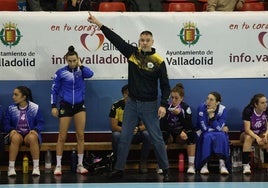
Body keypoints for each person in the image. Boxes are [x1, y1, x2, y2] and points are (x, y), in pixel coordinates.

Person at [87, 13, 171, 181]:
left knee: (157, 138)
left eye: (147, 40)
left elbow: (165, 86)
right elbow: (115, 39)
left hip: (150, 105)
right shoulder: (132, 54)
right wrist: (99, 24)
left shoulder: (159, 61)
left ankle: (166, 170)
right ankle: (119, 169)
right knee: (124, 137)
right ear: (139, 41)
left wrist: (163, 104)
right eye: (142, 40)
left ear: (152, 42)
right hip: (132, 104)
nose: (144, 42)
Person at [51, 45, 94, 175]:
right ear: (66, 60)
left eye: (74, 60)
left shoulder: (82, 71)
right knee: (62, 136)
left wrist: (80, 66)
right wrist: (53, 106)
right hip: (65, 105)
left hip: (80, 106)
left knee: (80, 136)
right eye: (69, 61)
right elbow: (54, 90)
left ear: (78, 59)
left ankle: (80, 165)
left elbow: (90, 74)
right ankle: (58, 165)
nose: (72, 63)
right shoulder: (60, 73)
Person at [109, 84, 151, 173]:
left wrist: (138, 129)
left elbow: (147, 125)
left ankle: (143, 161)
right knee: (115, 135)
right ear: (124, 94)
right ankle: (118, 163)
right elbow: (114, 127)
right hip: (123, 133)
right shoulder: (116, 106)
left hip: (136, 134)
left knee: (147, 134)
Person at [3, 86, 44, 177]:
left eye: (16, 95)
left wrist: (35, 130)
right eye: (13, 94)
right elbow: (6, 123)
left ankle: (36, 167)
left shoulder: (35, 108)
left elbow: (40, 122)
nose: (13, 97)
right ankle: (11, 168)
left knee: (33, 137)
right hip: (17, 134)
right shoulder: (11, 108)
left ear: (24, 97)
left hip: (29, 135)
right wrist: (11, 130)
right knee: (15, 137)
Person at [160, 83, 196, 174]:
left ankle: (191, 166)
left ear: (182, 98)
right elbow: (163, 125)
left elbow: (189, 125)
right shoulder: (166, 107)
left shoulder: (185, 107)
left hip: (181, 136)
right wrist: (178, 131)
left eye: (176, 98)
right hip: (170, 134)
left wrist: (179, 115)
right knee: (163, 134)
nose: (174, 100)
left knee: (191, 134)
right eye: (172, 97)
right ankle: (161, 165)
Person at [195, 91, 230, 175]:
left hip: (216, 132)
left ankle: (222, 164)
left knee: (222, 135)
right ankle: (204, 164)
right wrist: (217, 128)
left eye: (211, 100)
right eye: (207, 99)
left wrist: (212, 117)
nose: (208, 101)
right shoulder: (201, 108)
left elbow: (219, 127)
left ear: (217, 102)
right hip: (202, 132)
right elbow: (204, 128)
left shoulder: (223, 109)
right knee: (207, 136)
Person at [240, 93, 268, 174]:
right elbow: (247, 129)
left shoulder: (266, 110)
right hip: (247, 133)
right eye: (262, 103)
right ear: (256, 104)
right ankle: (246, 165)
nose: (265, 104)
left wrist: (265, 135)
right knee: (249, 137)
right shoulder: (248, 110)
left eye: (266, 102)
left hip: (260, 132)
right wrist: (258, 138)